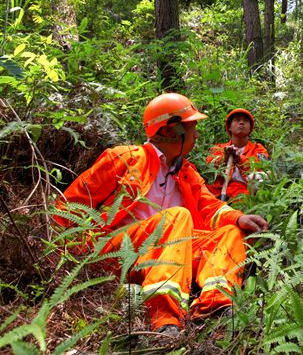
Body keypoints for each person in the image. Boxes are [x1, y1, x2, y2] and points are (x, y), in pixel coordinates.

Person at [54, 93, 269, 336]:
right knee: (177, 217)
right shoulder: (124, 159)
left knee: (229, 232)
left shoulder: (186, 171)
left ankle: (215, 306)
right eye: (192, 127)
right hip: (118, 252)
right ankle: (164, 316)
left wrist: (239, 218)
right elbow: (68, 209)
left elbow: (210, 206)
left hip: (170, 254)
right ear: (170, 131)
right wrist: (72, 261)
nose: (196, 134)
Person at [206, 108, 270, 202]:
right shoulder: (218, 148)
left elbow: (262, 168)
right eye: (237, 120)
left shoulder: (258, 149)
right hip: (218, 191)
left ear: (250, 129)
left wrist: (240, 159)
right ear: (229, 127)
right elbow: (210, 166)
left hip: (245, 193)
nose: (241, 123)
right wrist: (225, 158)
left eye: (245, 121)